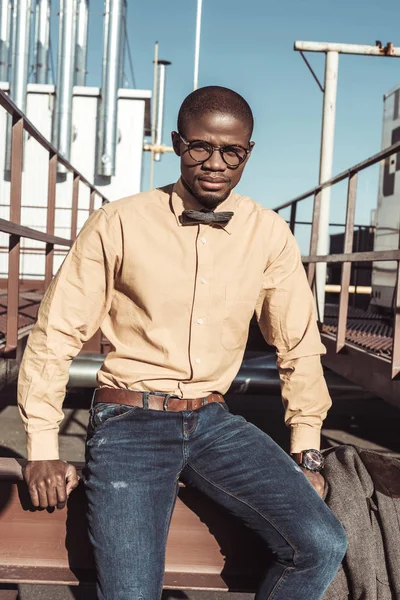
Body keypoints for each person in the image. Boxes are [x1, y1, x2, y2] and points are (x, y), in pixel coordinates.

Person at [19, 86, 347, 600]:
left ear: (248, 153)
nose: (215, 163)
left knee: (322, 544)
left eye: (231, 151)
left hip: (215, 422)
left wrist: (306, 450)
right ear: (177, 143)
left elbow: (298, 345)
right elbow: (55, 334)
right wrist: (41, 445)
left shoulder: (268, 234)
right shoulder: (119, 222)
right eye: (200, 147)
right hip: (130, 424)